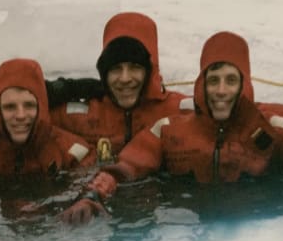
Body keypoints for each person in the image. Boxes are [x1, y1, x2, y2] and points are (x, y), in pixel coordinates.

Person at [61, 31, 283, 224]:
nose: (221, 90)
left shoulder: (270, 129)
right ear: (201, 85)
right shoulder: (169, 129)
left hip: (256, 234)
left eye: (231, 80)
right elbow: (129, 165)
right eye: (213, 80)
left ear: (244, 85)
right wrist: (93, 194)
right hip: (188, 230)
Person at [49, 12, 189, 160]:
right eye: (115, 68)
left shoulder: (181, 112)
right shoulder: (80, 115)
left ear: (149, 71)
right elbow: (28, 116)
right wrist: (66, 88)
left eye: (135, 67)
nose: (124, 78)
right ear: (104, 73)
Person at [0, 58, 94, 186]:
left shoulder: (73, 153)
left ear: (41, 108)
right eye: (10, 107)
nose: (20, 115)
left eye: (29, 105)